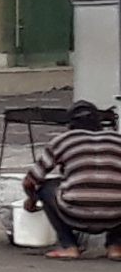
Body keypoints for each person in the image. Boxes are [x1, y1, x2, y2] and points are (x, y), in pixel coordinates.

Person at [23, 100, 121, 259]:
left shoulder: (63, 140)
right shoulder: (117, 139)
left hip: (74, 213)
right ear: (99, 122)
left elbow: (30, 181)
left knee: (45, 187)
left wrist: (31, 200)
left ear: (70, 124)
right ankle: (116, 246)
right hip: (116, 216)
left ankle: (69, 246)